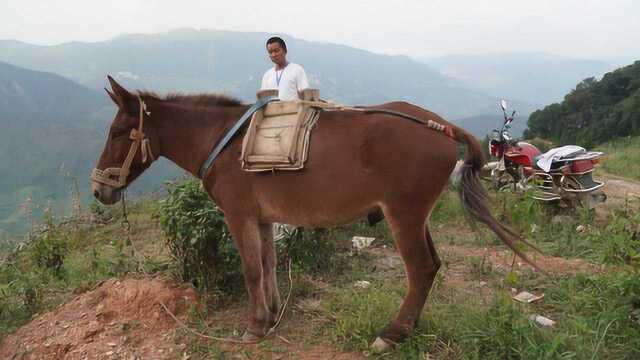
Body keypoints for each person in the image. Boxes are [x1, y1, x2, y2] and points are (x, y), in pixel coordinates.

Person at [260, 36, 309, 101]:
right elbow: (263, 100)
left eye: (276, 51)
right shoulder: (267, 75)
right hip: (272, 110)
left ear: (285, 51)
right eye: (270, 52)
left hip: (294, 110)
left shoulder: (297, 70)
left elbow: (305, 96)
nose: (274, 55)